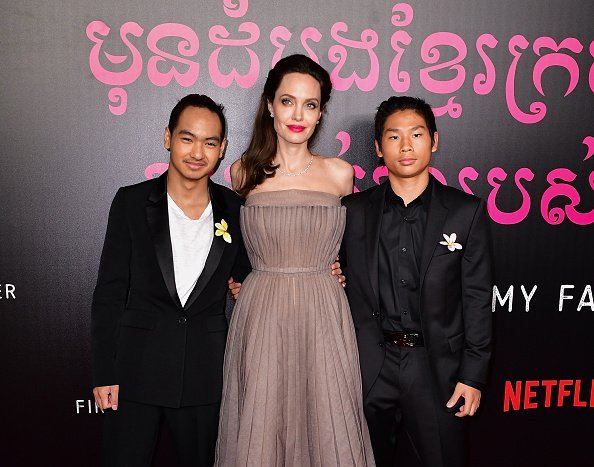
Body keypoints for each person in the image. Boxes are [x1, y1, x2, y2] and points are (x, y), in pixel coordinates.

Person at [215, 54, 375, 466]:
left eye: (310, 104)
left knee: (328, 421)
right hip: (263, 310)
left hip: (323, 310)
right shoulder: (241, 173)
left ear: (321, 112)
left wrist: (338, 269)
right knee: (262, 425)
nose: (298, 115)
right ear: (269, 105)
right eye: (288, 101)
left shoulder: (340, 174)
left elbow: (357, 248)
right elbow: (228, 244)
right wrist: (238, 279)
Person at [91, 94, 251, 467]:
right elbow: (109, 293)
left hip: (205, 374)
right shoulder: (131, 202)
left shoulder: (236, 209)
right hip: (134, 373)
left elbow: (250, 276)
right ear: (167, 138)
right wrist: (105, 373)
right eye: (187, 138)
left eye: (210, 142)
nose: (198, 152)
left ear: (222, 148)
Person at [340, 96, 493, 467]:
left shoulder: (465, 212)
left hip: (436, 369)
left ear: (434, 140)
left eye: (417, 134)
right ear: (378, 148)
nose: (406, 146)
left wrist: (473, 376)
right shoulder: (352, 212)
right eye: (393, 137)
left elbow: (476, 298)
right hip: (369, 367)